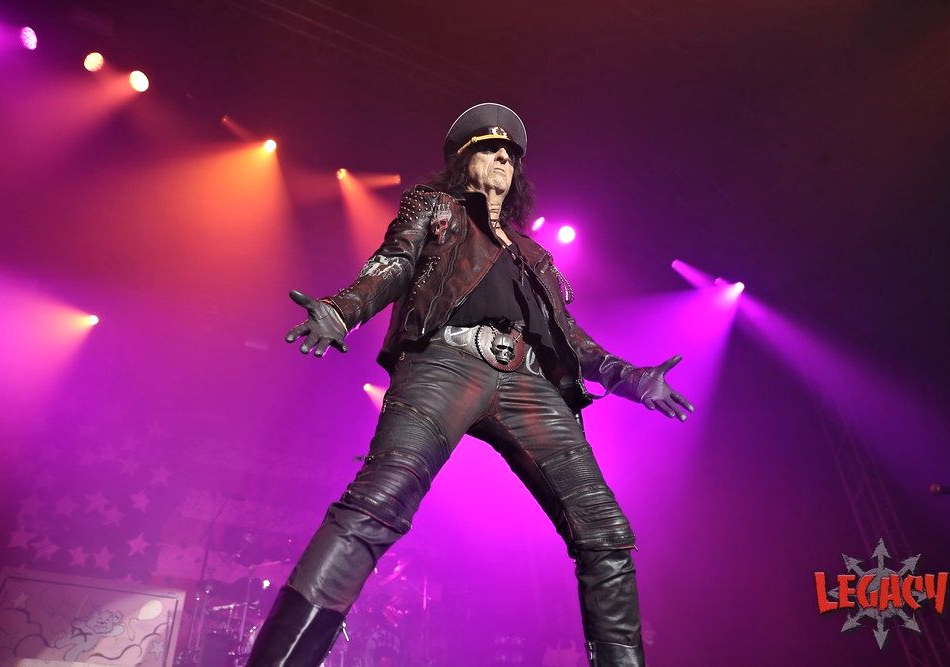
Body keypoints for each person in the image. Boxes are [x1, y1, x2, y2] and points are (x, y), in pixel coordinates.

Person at [246, 103, 694, 667]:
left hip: (529, 384)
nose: (504, 156)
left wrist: (630, 376)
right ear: (464, 161)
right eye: (490, 148)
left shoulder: (535, 255)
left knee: (606, 533)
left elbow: (569, 337)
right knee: (379, 503)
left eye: (511, 153)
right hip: (445, 362)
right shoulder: (435, 206)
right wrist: (343, 310)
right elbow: (394, 262)